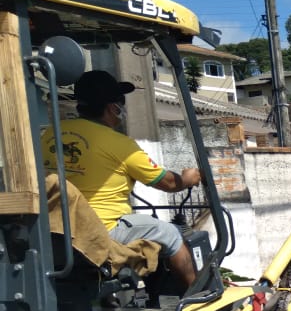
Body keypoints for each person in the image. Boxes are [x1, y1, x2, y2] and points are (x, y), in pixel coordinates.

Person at [41, 70, 202, 288]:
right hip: (102, 230)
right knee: (171, 234)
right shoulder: (120, 144)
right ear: (112, 108)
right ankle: (198, 295)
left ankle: (110, 300)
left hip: (58, 231)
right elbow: (169, 183)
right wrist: (188, 178)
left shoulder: (50, 134)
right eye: (121, 103)